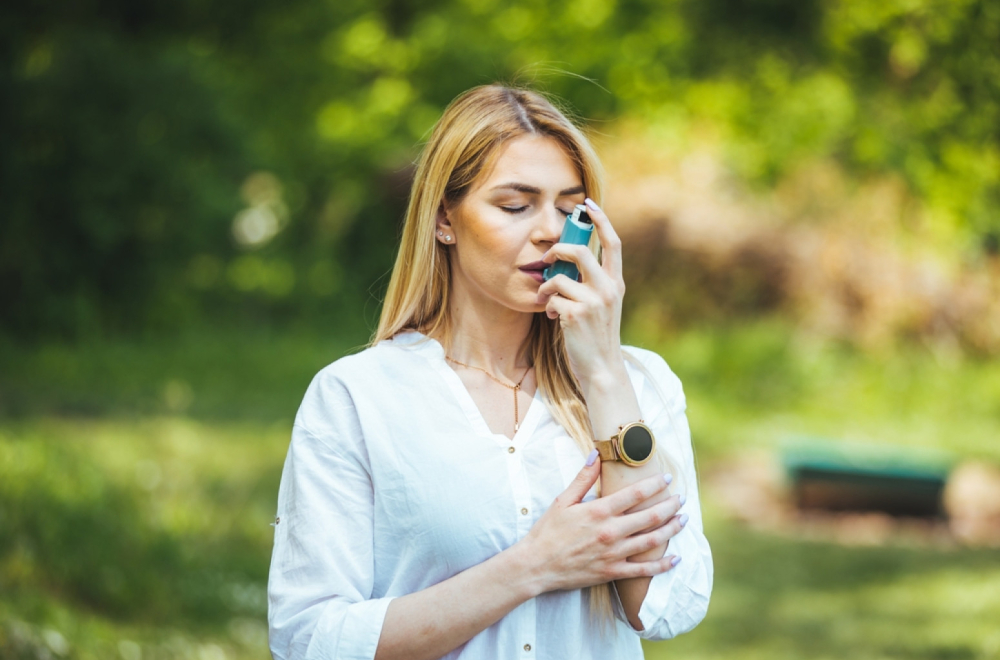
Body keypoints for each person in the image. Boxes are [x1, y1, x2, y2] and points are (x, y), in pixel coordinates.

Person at [267, 85, 712, 660]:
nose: (550, 231)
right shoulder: (357, 396)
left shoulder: (639, 384)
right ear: (444, 219)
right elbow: (310, 639)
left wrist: (604, 371)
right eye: (515, 206)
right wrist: (532, 566)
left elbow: (664, 607)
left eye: (570, 209)